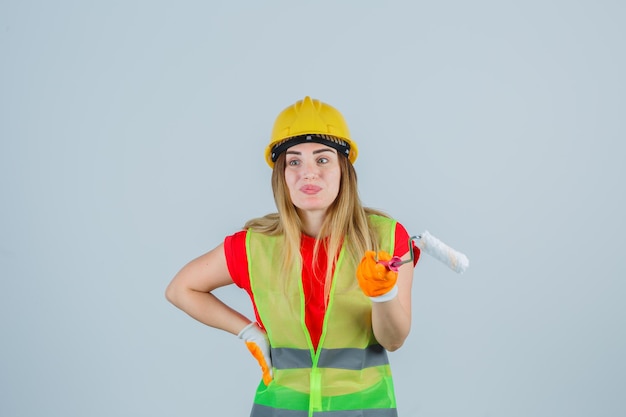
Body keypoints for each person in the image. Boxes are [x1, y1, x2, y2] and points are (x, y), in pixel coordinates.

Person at [165, 96, 420, 417]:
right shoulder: (254, 244)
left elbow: (394, 341)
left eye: (323, 160)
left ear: (344, 168)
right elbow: (180, 289)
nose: (308, 174)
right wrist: (248, 332)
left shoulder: (386, 238)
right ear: (281, 175)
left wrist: (384, 294)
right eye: (294, 161)